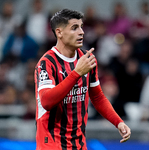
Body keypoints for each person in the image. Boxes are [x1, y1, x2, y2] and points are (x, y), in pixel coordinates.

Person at [34, 8, 131, 150]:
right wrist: (76, 73)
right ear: (59, 32)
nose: (81, 32)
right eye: (74, 28)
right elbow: (47, 101)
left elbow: (97, 96)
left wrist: (118, 122)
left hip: (78, 144)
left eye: (81, 27)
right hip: (51, 144)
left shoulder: (87, 59)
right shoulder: (46, 63)